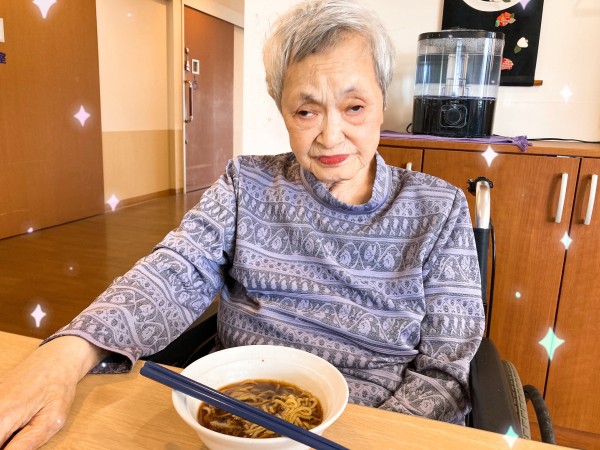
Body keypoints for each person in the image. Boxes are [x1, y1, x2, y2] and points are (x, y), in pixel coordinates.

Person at [0, 0, 484, 448]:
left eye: (354, 107)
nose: (331, 134)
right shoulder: (246, 183)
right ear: (281, 108)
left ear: (382, 101)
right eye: (306, 110)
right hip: (235, 421)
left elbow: (445, 372)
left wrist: (367, 438)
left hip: (367, 427)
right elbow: (175, 271)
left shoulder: (438, 208)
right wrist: (64, 356)